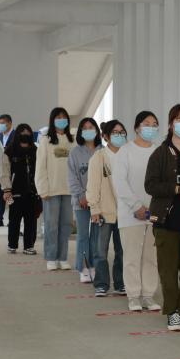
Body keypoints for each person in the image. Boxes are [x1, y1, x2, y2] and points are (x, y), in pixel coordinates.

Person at [146, 104, 180, 331]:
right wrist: (177, 189)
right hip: (166, 222)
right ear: (170, 124)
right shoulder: (160, 153)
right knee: (168, 271)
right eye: (179, 119)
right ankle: (172, 312)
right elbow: (150, 185)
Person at [113, 111, 162, 313]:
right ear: (136, 128)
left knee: (151, 257)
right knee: (131, 257)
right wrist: (137, 206)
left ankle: (148, 295)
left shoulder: (159, 151)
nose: (151, 127)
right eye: (146, 123)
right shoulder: (125, 151)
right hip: (130, 214)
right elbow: (120, 182)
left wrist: (154, 208)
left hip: (155, 213)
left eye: (154, 124)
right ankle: (133, 296)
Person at [87, 119, 127, 297]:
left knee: (122, 251)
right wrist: (94, 208)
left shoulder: (127, 155)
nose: (119, 136)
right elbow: (93, 185)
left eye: (122, 132)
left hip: (125, 212)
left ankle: (120, 283)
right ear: (106, 136)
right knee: (100, 250)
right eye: (115, 133)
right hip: (104, 211)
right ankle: (102, 284)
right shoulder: (99, 157)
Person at [36, 107, 74, 271]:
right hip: (51, 190)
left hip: (69, 190)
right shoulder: (46, 140)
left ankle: (62, 257)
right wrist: (42, 188)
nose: (61, 120)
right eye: (58, 117)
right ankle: (51, 257)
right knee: (51, 225)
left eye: (64, 117)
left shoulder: (72, 140)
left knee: (66, 225)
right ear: (52, 120)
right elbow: (40, 166)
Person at [68, 117, 101, 283]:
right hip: (81, 202)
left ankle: (93, 266)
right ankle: (83, 268)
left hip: (99, 202)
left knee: (96, 236)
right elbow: (72, 177)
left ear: (96, 130)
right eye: (85, 128)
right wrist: (81, 195)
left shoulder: (103, 151)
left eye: (91, 127)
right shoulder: (75, 153)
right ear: (81, 132)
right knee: (83, 235)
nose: (88, 130)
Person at [0, 124, 39, 254]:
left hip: (32, 192)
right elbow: (5, 171)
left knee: (31, 221)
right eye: (22, 132)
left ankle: (29, 246)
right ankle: (12, 245)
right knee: (14, 220)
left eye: (28, 133)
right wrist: (6, 189)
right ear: (17, 134)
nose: (25, 135)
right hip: (15, 192)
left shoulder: (36, 151)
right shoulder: (10, 151)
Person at [0, 114, 13, 227]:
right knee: (1, 195)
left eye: (3, 123)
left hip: (12, 170)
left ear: (9, 123)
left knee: (10, 194)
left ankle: (12, 219)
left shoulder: (16, 135)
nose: (1, 125)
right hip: (0, 170)